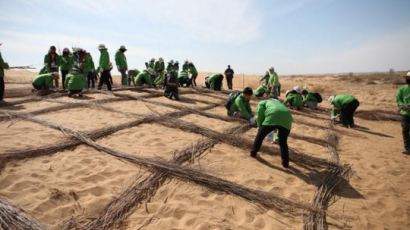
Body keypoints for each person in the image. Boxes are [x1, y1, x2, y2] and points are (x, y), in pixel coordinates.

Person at [251, 98, 293, 168]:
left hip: (273, 116)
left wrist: (260, 126)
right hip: (288, 119)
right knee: (283, 142)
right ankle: (285, 162)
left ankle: (253, 152)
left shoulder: (263, 102)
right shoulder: (280, 105)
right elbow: (278, 124)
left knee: (260, 136)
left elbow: (260, 114)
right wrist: (276, 137)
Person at [396, 72, 410, 154]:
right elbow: (398, 99)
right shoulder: (402, 89)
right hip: (405, 113)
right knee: (405, 130)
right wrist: (403, 105)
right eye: (407, 78)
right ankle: (408, 149)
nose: (408, 79)